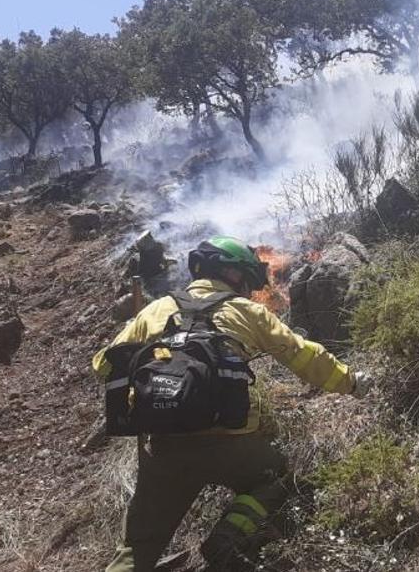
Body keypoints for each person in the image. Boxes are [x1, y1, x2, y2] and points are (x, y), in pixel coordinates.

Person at [93, 235, 369, 571]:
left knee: (136, 550)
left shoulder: (156, 309)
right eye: (247, 281)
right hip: (231, 440)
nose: (249, 291)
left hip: (164, 447)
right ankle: (231, 536)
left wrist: (141, 342)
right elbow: (302, 355)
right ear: (233, 274)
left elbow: (103, 366)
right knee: (275, 477)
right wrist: (351, 383)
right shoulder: (247, 311)